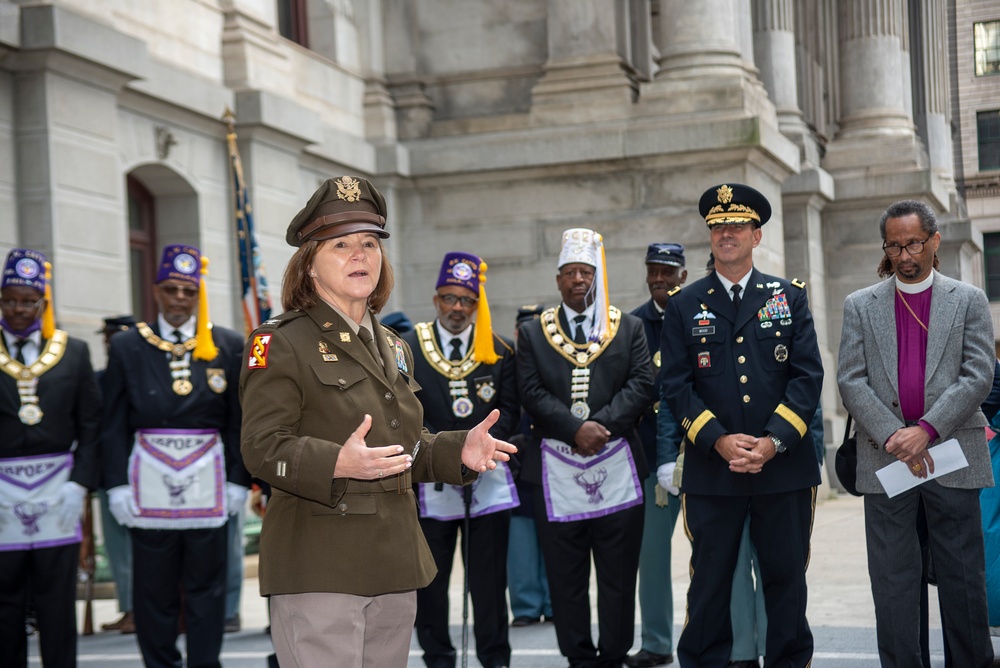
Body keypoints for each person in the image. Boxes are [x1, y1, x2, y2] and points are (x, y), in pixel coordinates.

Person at [238, 175, 517, 668]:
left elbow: (403, 447)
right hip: (320, 564)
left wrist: (458, 451)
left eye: (369, 243)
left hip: (392, 561)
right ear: (309, 264)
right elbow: (261, 446)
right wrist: (336, 462)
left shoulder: (393, 345)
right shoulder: (278, 342)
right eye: (340, 244)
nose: (359, 255)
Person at [660, 183, 823, 668]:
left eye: (735, 226)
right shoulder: (684, 303)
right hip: (714, 471)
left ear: (756, 235)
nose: (725, 233)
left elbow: (807, 376)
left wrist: (773, 441)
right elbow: (675, 385)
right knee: (709, 583)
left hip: (782, 469)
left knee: (787, 580)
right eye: (717, 227)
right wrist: (719, 440)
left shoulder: (787, 297)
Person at [837, 199, 996, 668]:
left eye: (913, 244)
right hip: (886, 462)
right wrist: (895, 436)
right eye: (894, 245)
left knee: (964, 581)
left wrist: (926, 430)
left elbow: (978, 374)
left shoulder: (967, 300)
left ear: (934, 241)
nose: (904, 255)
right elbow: (850, 379)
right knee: (893, 584)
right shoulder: (859, 305)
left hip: (954, 454)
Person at [101, 245, 250, 668]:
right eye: (171, 289)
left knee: (207, 589)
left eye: (188, 290)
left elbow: (238, 421)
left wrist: (239, 480)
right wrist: (114, 485)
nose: (180, 298)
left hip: (210, 487)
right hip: (149, 488)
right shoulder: (130, 346)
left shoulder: (227, 344)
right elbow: (111, 423)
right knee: (154, 590)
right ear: (156, 292)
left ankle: (206, 664)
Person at [516, 227, 653, 668]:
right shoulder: (533, 332)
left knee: (617, 575)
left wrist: (602, 425)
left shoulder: (628, 327)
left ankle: (613, 657)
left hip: (618, 467)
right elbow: (530, 391)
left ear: (598, 276)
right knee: (565, 576)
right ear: (558, 279)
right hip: (554, 471)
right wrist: (575, 429)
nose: (578, 279)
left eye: (586, 271)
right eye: (570, 272)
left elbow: (642, 384)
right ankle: (578, 658)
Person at [404, 251, 519, 668]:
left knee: (489, 585)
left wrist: (483, 459)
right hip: (427, 486)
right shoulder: (410, 348)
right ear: (436, 299)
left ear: (477, 304)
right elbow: (403, 414)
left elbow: (512, 411)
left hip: (487, 485)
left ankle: (495, 659)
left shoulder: (500, 349)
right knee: (429, 584)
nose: (457, 308)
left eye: (466, 301)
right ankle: (438, 658)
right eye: (449, 298)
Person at [0, 248, 101, 668]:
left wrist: (79, 483)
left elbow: (92, 426)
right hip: (3, 495)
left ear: (43, 303)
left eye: (29, 301)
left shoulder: (73, 352)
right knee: (4, 602)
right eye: (9, 299)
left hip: (57, 491)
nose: (19, 309)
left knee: (56, 601)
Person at [627, 243, 687, 668]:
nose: (660, 279)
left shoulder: (700, 312)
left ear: (682, 274)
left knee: (714, 554)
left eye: (668, 271)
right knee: (652, 555)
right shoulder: (633, 325)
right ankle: (657, 641)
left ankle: (725, 637)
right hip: (652, 456)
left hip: (705, 451)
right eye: (654, 271)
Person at [506, 305, 553, 629]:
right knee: (520, 540)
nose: (528, 335)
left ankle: (553, 602)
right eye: (524, 329)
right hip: (515, 465)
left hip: (548, 461)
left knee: (553, 537)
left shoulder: (554, 364)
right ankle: (525, 605)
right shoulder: (505, 364)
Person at [94, 315, 137, 635]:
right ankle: (128, 607)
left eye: (114, 337)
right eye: (107, 338)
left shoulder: (145, 372)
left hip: (145, 469)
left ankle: (144, 608)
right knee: (118, 549)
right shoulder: (97, 377)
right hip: (108, 474)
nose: (109, 344)